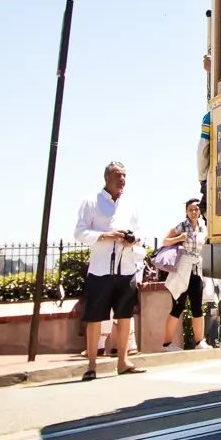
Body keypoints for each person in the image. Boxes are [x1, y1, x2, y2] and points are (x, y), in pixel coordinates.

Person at [73, 162, 145, 378]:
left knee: (124, 316)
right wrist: (105, 236)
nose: (122, 179)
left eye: (124, 175)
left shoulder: (130, 204)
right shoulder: (91, 202)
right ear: (106, 178)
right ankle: (92, 366)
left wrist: (133, 239)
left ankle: (122, 362)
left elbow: (141, 231)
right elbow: (79, 232)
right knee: (95, 317)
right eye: (117, 175)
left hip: (126, 268)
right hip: (100, 269)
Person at [159, 199, 212, 349]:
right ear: (186, 212)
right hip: (181, 270)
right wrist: (179, 238)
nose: (194, 212)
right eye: (190, 209)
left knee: (197, 307)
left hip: (196, 270)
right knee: (178, 306)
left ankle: (199, 342)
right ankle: (167, 343)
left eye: (196, 209)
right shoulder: (181, 226)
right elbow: (165, 241)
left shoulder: (203, 228)